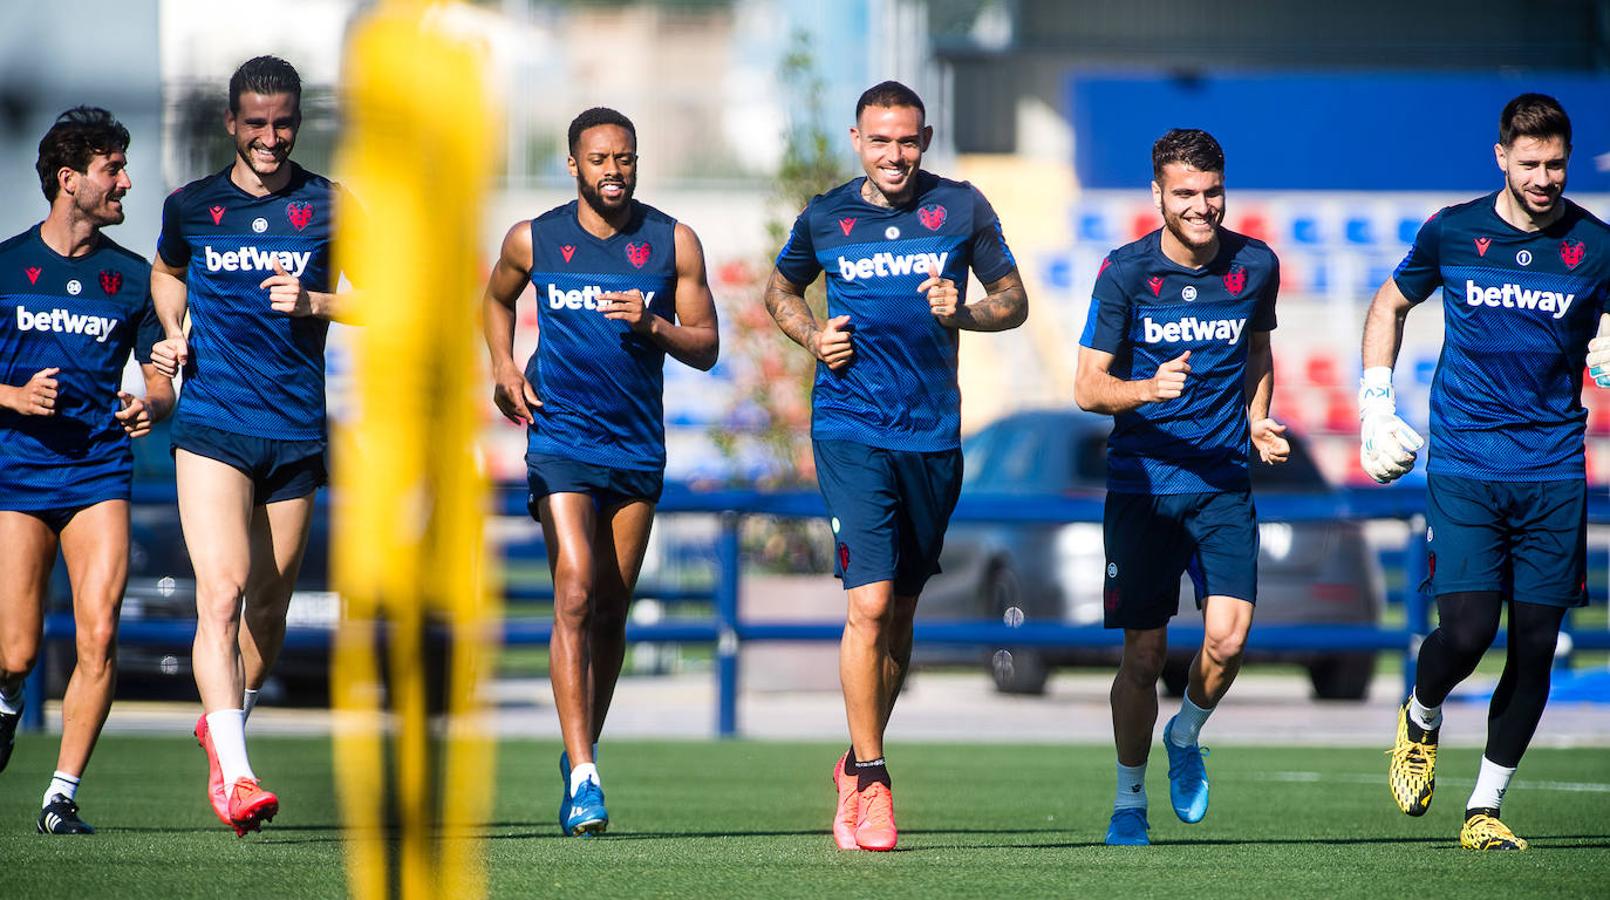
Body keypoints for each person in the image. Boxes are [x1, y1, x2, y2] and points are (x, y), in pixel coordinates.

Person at [765, 81, 1027, 852]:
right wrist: (813, 338)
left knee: (901, 620)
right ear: (857, 140)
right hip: (850, 431)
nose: (895, 155)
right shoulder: (824, 216)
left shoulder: (963, 208)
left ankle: (851, 760)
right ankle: (875, 780)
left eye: (907, 141)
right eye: (880, 141)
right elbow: (781, 290)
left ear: (926, 137)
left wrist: (964, 312)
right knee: (870, 605)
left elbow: (1011, 300)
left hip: (933, 440)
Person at [1367, 93, 1610, 851]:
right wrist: (1376, 402)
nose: (1544, 178)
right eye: (1530, 163)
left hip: (1553, 466)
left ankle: (1484, 808)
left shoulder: (1596, 246)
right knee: (1468, 632)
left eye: (1556, 164)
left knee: (1536, 642)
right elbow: (1389, 302)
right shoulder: (1454, 230)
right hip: (1469, 459)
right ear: (1501, 157)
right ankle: (1422, 712)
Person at [481, 107, 718, 837]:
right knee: (576, 589)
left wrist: (653, 326)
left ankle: (579, 752)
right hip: (560, 437)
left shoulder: (672, 241)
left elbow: (706, 345)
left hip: (636, 448)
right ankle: (586, 774)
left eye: (625, 159)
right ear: (573, 165)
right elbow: (496, 298)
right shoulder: (535, 237)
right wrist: (503, 366)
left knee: (612, 606)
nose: (613, 172)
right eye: (599, 160)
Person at [148, 55, 353, 837]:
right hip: (212, 425)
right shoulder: (193, 206)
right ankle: (236, 776)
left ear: (298, 123)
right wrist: (174, 331)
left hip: (296, 432)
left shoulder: (333, 206)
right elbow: (168, 273)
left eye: (283, 123)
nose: (269, 138)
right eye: (255, 124)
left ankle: (222, 723)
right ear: (232, 124)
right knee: (222, 591)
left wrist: (319, 299)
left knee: (266, 616)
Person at [1074, 128, 1287, 847]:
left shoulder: (1256, 265)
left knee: (1227, 644)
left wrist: (1258, 420)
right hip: (1143, 487)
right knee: (1142, 655)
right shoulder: (1126, 273)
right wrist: (1146, 388)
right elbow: (1086, 386)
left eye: (1212, 192)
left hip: (1223, 483)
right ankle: (1128, 801)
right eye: (1186, 194)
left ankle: (1187, 733)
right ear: (1158, 195)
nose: (1202, 206)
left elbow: (1258, 351)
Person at [0, 106, 173, 835]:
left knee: (99, 633)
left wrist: (150, 406)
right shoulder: (6, 264)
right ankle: (7, 706)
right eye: (112, 170)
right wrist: (10, 395)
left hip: (98, 471)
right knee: (16, 649)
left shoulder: (134, 279)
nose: (126, 183)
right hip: (16, 474)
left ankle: (60, 796)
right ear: (69, 180)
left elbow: (164, 376)